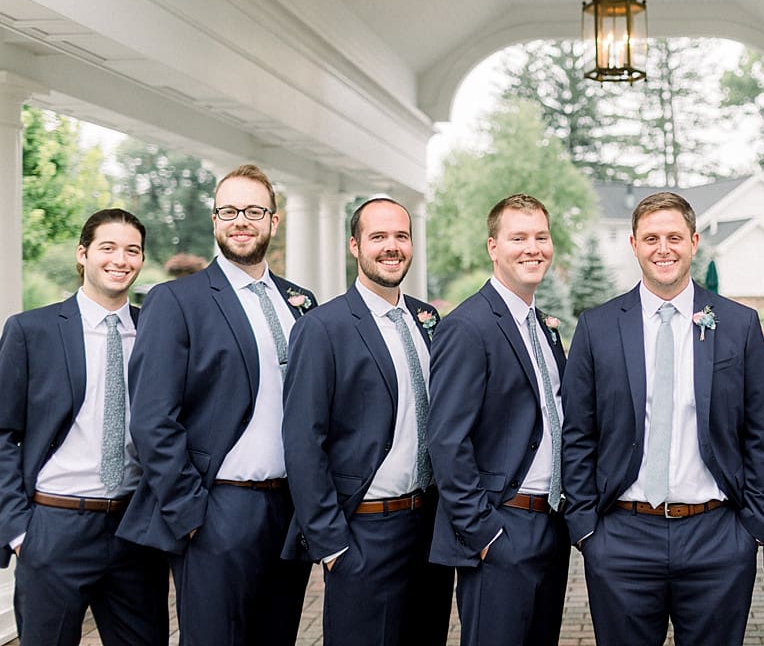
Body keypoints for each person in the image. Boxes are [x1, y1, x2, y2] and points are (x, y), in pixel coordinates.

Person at [561, 191, 764, 646]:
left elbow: (759, 432)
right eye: (652, 238)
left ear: (694, 242)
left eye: (674, 237)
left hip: (716, 535)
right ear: (634, 244)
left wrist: (752, 528)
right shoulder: (597, 326)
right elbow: (579, 433)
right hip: (622, 535)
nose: (664, 248)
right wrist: (585, 529)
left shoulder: (738, 324)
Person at [118, 164, 316, 646]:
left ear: (274, 220)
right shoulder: (176, 300)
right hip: (218, 508)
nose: (240, 221)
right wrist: (190, 514)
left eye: (253, 210)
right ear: (214, 221)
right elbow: (151, 419)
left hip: (291, 509)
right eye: (228, 211)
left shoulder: (302, 303)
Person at [282, 197, 453, 645]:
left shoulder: (426, 319)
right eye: (378, 237)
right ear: (354, 246)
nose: (391, 247)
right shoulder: (322, 328)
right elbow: (303, 441)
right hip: (364, 532)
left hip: (428, 530)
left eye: (401, 236)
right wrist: (332, 545)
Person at [0, 209, 167, 646]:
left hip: (135, 530)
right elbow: (2, 434)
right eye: (107, 248)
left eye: (132, 250)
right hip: (55, 526)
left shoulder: (158, 332)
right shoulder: (30, 331)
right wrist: (20, 530)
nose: (121, 259)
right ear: (83, 254)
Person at [427, 193, 570, 646]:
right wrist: (484, 534)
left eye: (541, 237)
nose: (533, 248)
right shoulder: (468, 326)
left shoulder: (544, 327)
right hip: (501, 527)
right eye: (518, 238)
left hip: (550, 524)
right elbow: (447, 440)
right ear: (493, 247)